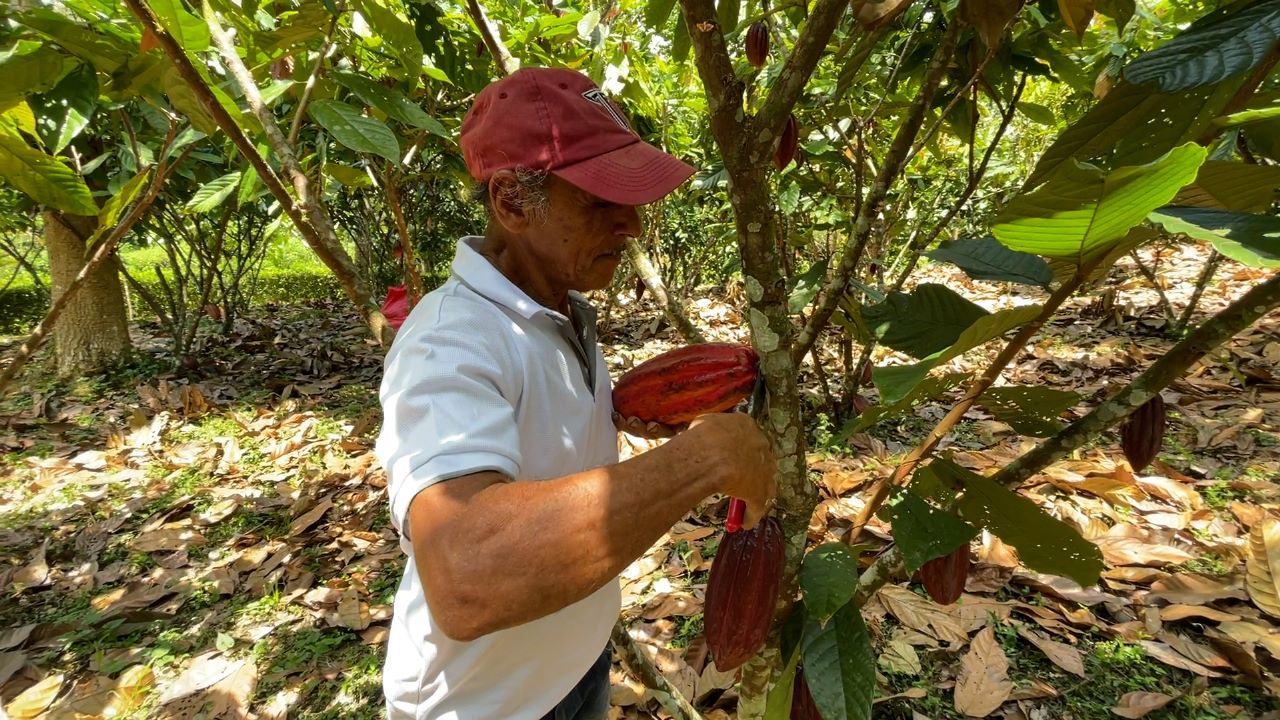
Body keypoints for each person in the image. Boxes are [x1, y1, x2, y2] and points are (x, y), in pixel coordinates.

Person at [375, 67, 778, 720]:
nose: (634, 226)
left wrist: (622, 409)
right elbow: (466, 576)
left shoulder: (559, 305)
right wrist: (705, 460)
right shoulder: (446, 342)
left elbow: (539, 436)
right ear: (511, 202)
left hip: (575, 667)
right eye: (601, 201)